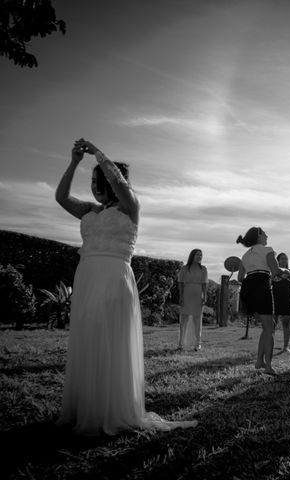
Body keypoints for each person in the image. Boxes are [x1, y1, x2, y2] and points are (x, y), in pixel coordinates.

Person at [56, 138, 196, 435]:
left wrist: (98, 154)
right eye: (92, 180)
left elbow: (122, 188)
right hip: (87, 276)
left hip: (114, 277)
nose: (95, 185)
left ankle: (112, 406)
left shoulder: (131, 206)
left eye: (100, 179)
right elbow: (61, 198)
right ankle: (87, 405)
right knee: (89, 335)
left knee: (110, 337)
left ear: (111, 179)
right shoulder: (90, 210)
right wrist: (74, 162)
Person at [237, 227, 283, 375]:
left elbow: (239, 278)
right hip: (262, 285)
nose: (267, 235)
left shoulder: (244, 255)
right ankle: (268, 366)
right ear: (259, 236)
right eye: (265, 233)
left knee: (269, 325)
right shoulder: (267, 250)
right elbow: (276, 271)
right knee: (269, 328)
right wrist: (286, 273)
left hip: (247, 287)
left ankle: (259, 361)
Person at [177, 249, 208, 351]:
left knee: (197, 319)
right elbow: (180, 283)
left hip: (198, 294)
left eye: (201, 255)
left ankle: (197, 343)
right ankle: (181, 343)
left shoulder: (203, 269)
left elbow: (205, 284)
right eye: (197, 254)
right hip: (186, 294)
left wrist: (205, 295)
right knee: (183, 319)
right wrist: (181, 296)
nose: (199, 256)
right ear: (192, 256)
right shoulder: (185, 268)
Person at [272, 252, 290, 353]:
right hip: (274, 300)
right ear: (278, 260)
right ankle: (270, 344)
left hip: (287, 300)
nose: (284, 260)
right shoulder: (273, 272)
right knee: (272, 324)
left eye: (286, 259)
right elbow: (268, 285)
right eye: (282, 259)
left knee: (286, 323)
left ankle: (285, 346)